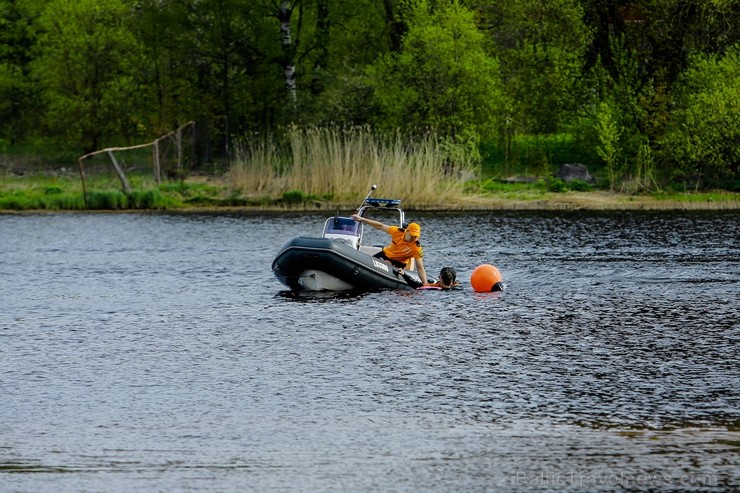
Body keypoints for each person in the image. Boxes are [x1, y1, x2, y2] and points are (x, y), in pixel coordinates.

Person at [350, 214, 429, 285]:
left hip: (399, 262)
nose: (413, 238)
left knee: (386, 263)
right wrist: (362, 219)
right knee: (369, 262)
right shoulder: (397, 231)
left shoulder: (416, 247)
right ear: (407, 231)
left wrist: (425, 283)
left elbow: (420, 267)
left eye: (415, 236)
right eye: (412, 235)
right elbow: (380, 226)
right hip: (385, 254)